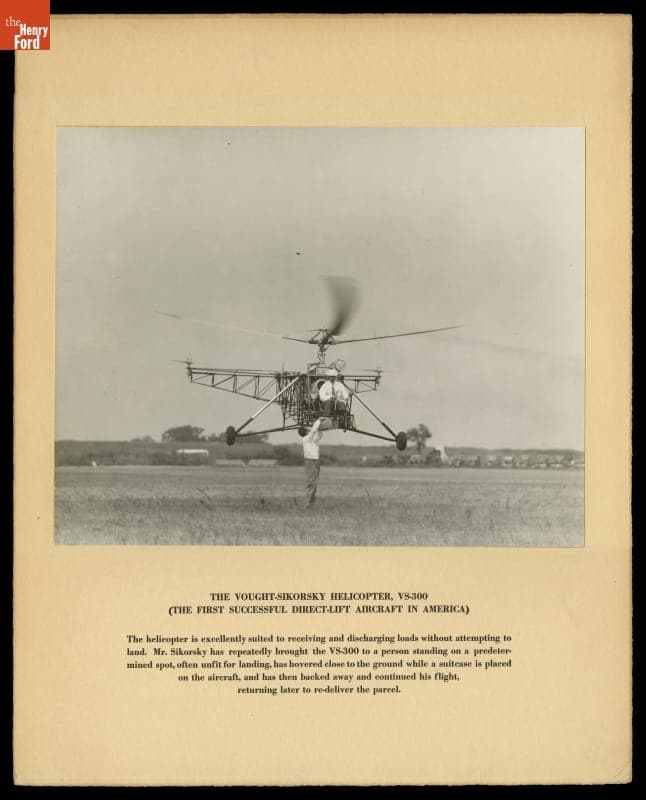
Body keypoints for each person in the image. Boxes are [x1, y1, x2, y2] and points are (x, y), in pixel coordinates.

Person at [300, 417, 324, 506]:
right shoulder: (306, 439)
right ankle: (308, 503)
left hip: (315, 461)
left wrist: (319, 427)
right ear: (306, 432)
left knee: (315, 482)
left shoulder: (311, 440)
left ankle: (311, 503)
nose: (309, 429)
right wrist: (318, 421)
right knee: (311, 483)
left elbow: (320, 435)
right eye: (307, 429)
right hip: (311, 461)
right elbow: (313, 431)